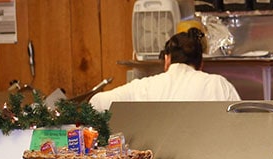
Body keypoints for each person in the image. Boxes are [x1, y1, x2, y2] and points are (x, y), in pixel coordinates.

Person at [89, 28, 240, 112]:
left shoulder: (144, 87)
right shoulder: (218, 84)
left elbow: (96, 103)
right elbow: (245, 122)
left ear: (167, 59)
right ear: (201, 64)